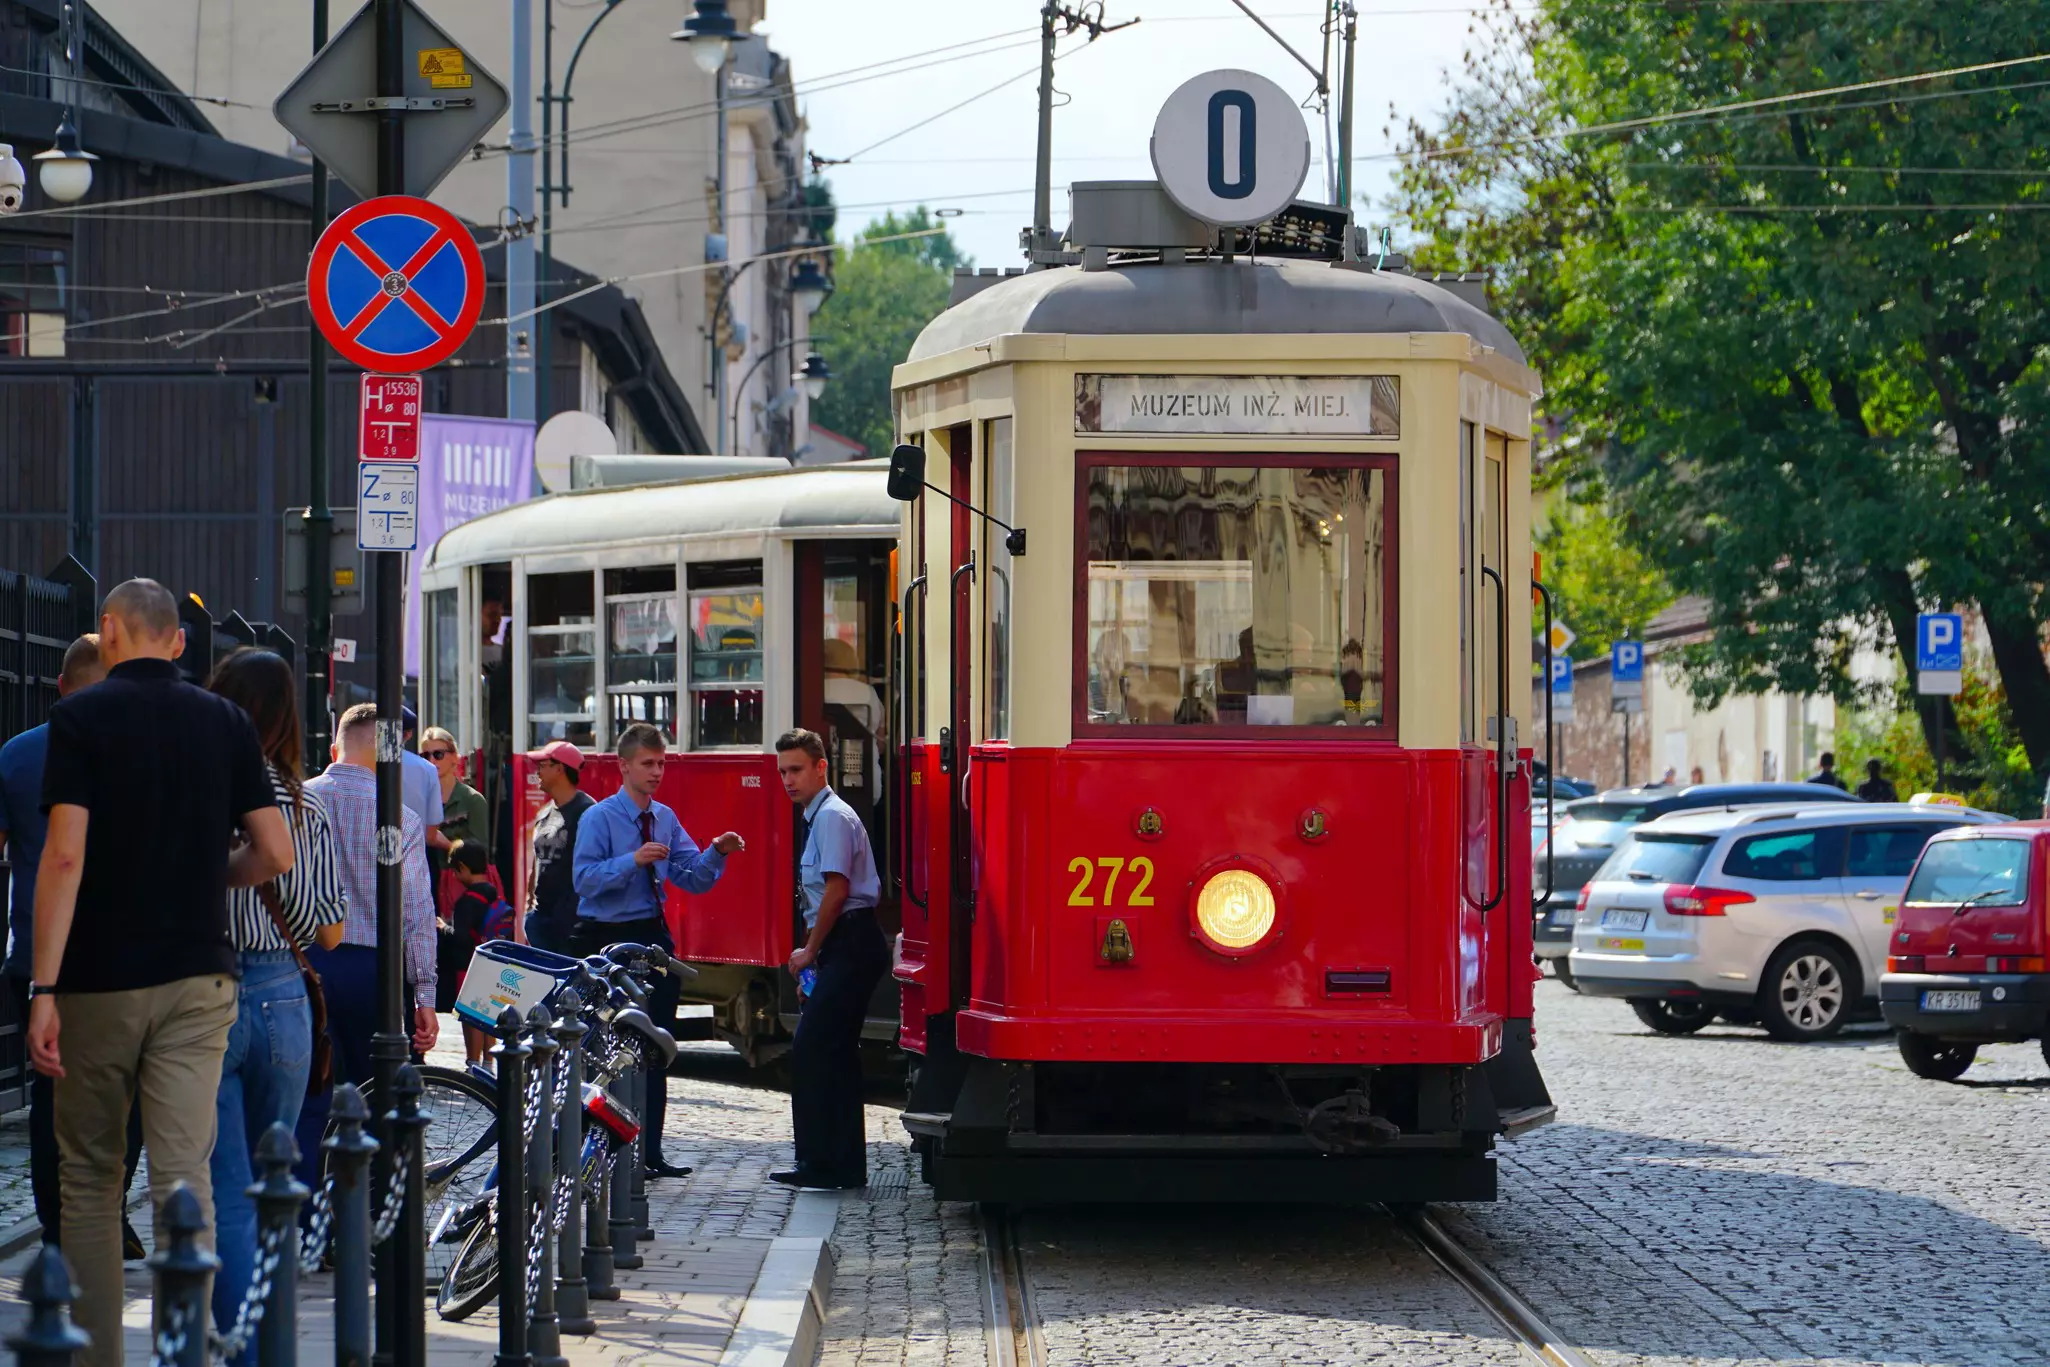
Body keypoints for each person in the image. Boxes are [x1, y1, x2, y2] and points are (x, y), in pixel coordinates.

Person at [28, 579, 294, 1367]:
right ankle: (186, 1350)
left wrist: (44, 989)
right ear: (178, 642)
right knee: (186, 1178)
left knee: (90, 1180)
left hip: (97, 979)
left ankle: (96, 1357)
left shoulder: (78, 718)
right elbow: (276, 852)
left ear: (107, 630)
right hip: (198, 978)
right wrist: (212, 873)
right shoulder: (226, 721)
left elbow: (64, 856)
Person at [204, 649, 347, 1358]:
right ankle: (276, 1343)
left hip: (210, 993)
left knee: (226, 1189)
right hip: (286, 995)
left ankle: (242, 1349)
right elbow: (331, 926)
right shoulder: (304, 803)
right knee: (276, 1188)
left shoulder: (202, 789)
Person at [0, 634, 143, 1256]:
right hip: (119, 953)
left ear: (58, 687)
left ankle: (59, 1232)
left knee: (48, 1099)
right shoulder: (134, 752)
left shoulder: (16, 754)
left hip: (36, 951)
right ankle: (106, 1210)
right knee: (127, 1094)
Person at [572, 723, 743, 1177]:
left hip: (651, 935)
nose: (657, 772)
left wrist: (718, 853)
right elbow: (584, 881)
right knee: (607, 1050)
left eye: (662, 763)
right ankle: (606, 1150)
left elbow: (690, 876)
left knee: (655, 1045)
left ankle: (650, 1152)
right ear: (624, 766)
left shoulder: (664, 817)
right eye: (648, 763)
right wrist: (633, 861)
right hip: (604, 937)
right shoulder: (599, 818)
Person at [296, 703, 439, 1190]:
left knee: (307, 1095)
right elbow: (417, 911)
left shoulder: (300, 801)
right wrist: (424, 994)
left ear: (335, 747)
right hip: (374, 972)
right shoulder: (398, 818)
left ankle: (304, 1209)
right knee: (373, 1095)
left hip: (304, 962)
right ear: (391, 756)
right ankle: (366, 1211)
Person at [771, 728, 886, 1190]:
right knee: (835, 1054)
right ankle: (841, 1167)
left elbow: (837, 889)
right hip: (844, 943)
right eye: (782, 772)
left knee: (813, 1049)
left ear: (822, 767)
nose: (788, 780)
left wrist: (811, 951)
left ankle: (819, 1164)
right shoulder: (817, 816)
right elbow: (818, 895)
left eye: (796, 770)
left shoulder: (832, 817)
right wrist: (814, 960)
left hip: (851, 941)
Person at [424, 725, 492, 1010]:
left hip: (457, 884)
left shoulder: (472, 800)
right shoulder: (419, 796)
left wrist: (441, 842)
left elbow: (479, 852)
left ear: (455, 758)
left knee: (458, 946)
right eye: (425, 755)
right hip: (427, 879)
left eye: (438, 754)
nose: (431, 762)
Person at [520, 740, 592, 956]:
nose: (537, 771)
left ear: (560, 768)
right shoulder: (544, 812)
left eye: (543, 765)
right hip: (540, 917)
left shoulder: (587, 812)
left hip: (572, 922)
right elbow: (537, 859)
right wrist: (529, 903)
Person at [446, 840, 512, 1067]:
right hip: (494, 962)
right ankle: (488, 1062)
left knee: (471, 1014)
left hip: (469, 964)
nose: (454, 876)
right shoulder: (495, 894)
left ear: (463, 868)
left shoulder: (467, 901)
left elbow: (460, 936)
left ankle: (472, 1062)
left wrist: (442, 927)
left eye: (455, 870)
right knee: (489, 1012)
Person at [399, 706, 448, 848]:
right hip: (412, 861)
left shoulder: (360, 764)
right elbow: (431, 835)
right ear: (408, 735)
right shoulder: (428, 770)